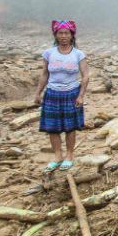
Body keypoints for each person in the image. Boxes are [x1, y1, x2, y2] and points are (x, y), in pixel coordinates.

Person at [34, 20, 89, 172]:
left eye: (67, 33)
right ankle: (58, 156)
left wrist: (81, 95)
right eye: (60, 33)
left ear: (72, 36)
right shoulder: (49, 53)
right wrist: (38, 93)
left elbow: (85, 75)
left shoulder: (78, 54)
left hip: (72, 92)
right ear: (55, 35)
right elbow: (45, 74)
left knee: (70, 127)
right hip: (52, 93)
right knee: (52, 127)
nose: (64, 36)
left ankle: (69, 155)